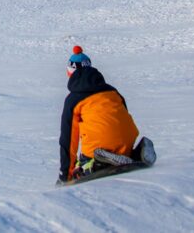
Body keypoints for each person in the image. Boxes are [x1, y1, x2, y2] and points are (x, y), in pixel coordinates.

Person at [58, 46, 154, 184]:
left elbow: (68, 140)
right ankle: (133, 154)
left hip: (99, 146)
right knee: (115, 138)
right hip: (126, 141)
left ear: (69, 74)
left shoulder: (74, 99)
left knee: (81, 168)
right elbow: (122, 116)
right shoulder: (112, 91)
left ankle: (96, 163)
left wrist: (64, 176)